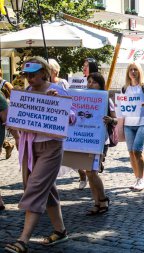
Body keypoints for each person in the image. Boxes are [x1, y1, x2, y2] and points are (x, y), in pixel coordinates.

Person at [4, 56, 74, 253]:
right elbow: (20, 117)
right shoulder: (26, 91)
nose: (29, 79)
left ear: (43, 73)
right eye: (26, 75)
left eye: (32, 75)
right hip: (31, 148)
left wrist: (58, 103)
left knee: (35, 188)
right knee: (46, 188)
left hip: (51, 147)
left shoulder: (58, 90)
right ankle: (60, 231)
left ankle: (23, 239)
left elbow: (72, 117)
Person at [84, 72, 116, 215]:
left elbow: (116, 120)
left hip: (100, 140)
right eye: (89, 81)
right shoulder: (83, 98)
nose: (90, 84)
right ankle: (96, 202)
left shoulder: (106, 99)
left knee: (93, 172)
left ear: (100, 84)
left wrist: (109, 119)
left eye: (94, 82)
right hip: (86, 138)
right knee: (88, 172)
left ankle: (103, 199)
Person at [122, 62, 144, 191]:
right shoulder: (125, 88)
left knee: (137, 150)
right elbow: (121, 105)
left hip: (143, 122)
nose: (133, 72)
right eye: (131, 70)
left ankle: (141, 179)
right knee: (131, 153)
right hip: (128, 124)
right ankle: (137, 178)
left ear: (139, 72)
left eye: (135, 69)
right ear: (128, 73)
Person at [78, 58, 99, 189]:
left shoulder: (98, 81)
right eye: (83, 65)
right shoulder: (79, 81)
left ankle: (91, 177)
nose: (84, 68)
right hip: (80, 122)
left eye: (86, 65)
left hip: (93, 125)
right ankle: (82, 176)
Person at [0, 68, 16, 159]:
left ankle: (7, 145)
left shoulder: (5, 84)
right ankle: (8, 146)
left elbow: (15, 95)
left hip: (4, 109)